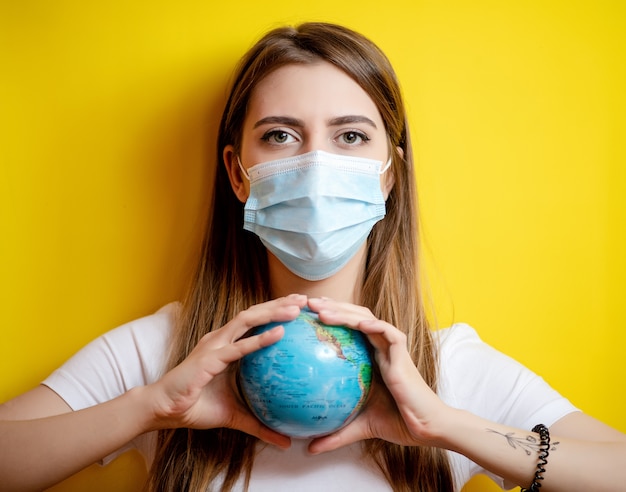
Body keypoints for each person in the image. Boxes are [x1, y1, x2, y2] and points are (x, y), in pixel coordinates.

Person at [0, 22, 624, 492]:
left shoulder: (446, 368)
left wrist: (446, 425)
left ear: (389, 175)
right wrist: (153, 407)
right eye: (280, 135)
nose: (317, 162)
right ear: (237, 174)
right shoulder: (165, 354)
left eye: (350, 135)